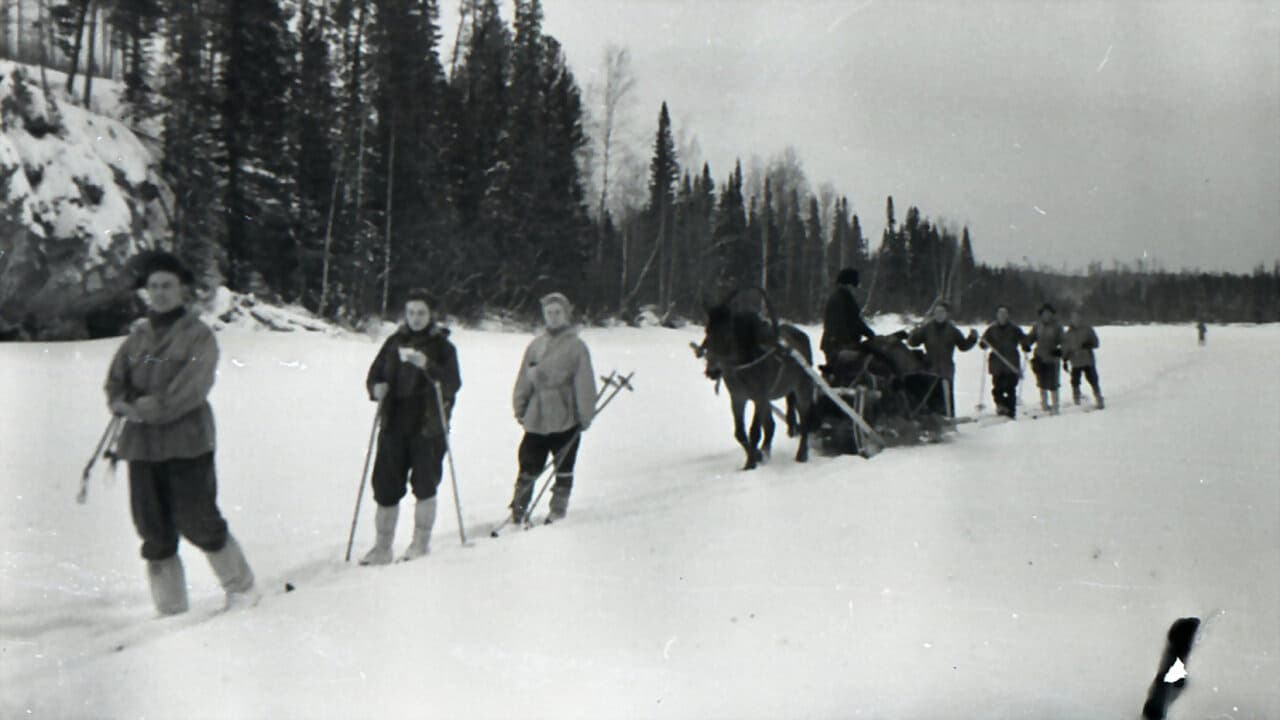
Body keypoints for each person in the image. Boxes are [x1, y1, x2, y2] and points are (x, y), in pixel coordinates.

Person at [104, 251, 257, 615]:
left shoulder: (198, 336)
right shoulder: (137, 337)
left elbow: (191, 389)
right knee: (152, 529)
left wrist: (141, 408)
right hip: (141, 447)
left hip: (187, 442)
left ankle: (242, 588)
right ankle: (171, 608)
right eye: (153, 286)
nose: (160, 293)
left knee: (198, 519)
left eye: (167, 286)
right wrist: (120, 403)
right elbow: (115, 383)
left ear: (183, 289)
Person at [361, 289, 462, 565]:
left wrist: (427, 364)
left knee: (425, 484)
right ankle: (382, 548)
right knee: (385, 484)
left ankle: (420, 543)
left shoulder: (443, 347)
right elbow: (375, 374)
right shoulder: (394, 342)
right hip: (394, 421)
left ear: (431, 316)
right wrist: (375, 387)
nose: (416, 318)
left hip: (428, 425)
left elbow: (452, 383)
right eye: (411, 313)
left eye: (421, 313)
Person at [509, 292, 597, 524]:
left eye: (558, 312)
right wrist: (520, 406)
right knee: (528, 461)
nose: (554, 317)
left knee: (564, 464)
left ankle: (558, 509)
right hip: (537, 416)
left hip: (565, 415)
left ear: (566, 314)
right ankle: (519, 508)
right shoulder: (535, 346)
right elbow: (524, 378)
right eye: (549, 313)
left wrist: (585, 414)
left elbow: (584, 382)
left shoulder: (577, 347)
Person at [906, 301, 978, 417]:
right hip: (930, 369)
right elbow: (913, 342)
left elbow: (963, 346)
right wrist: (913, 334)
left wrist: (972, 339)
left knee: (946, 398)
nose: (939, 314)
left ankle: (948, 419)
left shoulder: (952, 330)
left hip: (946, 370)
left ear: (947, 314)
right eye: (937, 312)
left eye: (942, 312)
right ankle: (932, 422)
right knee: (930, 397)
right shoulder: (927, 328)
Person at [819, 267, 876, 367]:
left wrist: (870, 334)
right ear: (848, 284)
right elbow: (838, 326)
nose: (855, 289)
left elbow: (856, 321)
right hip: (837, 346)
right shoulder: (839, 299)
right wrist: (849, 344)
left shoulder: (844, 297)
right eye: (854, 285)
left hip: (839, 345)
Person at [979, 305, 1028, 418]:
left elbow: (1024, 339)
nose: (1002, 317)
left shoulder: (1014, 329)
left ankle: (1010, 410)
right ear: (997, 316)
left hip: (1011, 363)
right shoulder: (992, 329)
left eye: (1004, 314)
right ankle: (1001, 406)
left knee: (1010, 388)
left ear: (1007, 316)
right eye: (1000, 314)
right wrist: (983, 344)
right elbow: (984, 341)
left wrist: (1025, 345)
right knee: (997, 388)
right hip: (997, 364)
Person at [1024, 303, 1064, 414]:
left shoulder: (1057, 326)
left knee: (1054, 383)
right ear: (1041, 315)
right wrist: (1026, 344)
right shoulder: (1037, 326)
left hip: (1053, 357)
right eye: (1044, 313)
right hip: (1040, 357)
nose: (1047, 315)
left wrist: (1060, 350)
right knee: (1041, 382)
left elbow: (1064, 341)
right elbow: (1031, 337)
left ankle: (1055, 406)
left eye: (1049, 313)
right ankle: (1044, 405)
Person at [1062, 310, 1104, 409]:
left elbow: (1096, 343)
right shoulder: (1068, 333)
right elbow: (1065, 348)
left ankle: (1099, 399)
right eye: (1073, 318)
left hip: (1087, 360)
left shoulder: (1087, 330)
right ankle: (1076, 401)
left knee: (1093, 380)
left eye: (1077, 318)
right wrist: (1064, 359)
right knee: (1075, 381)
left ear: (1081, 318)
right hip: (1075, 362)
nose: (1075, 320)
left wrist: (1089, 345)